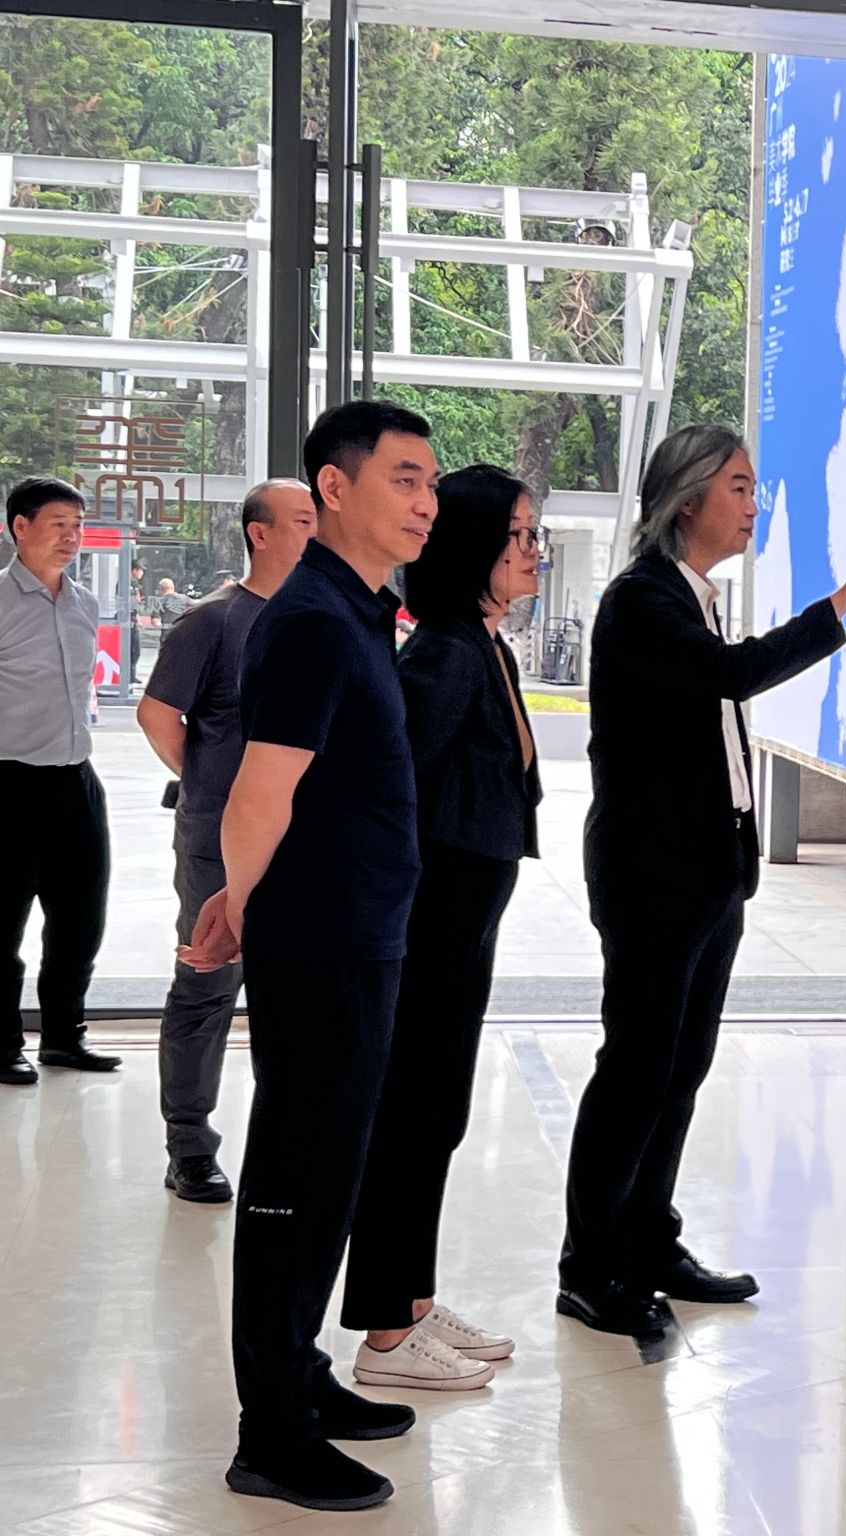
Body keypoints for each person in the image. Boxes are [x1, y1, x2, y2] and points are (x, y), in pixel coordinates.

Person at [558, 424, 846, 1335]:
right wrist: (844, 602)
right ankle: (590, 1266)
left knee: (679, 1069)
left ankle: (648, 1238)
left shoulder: (692, 595)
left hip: (707, 872)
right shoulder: (642, 599)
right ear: (688, 499)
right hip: (653, 876)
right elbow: (732, 677)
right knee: (637, 1070)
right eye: (741, 488)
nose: (754, 505)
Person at [181, 401, 439, 1512]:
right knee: (298, 1178)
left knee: (329, 1173)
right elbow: (260, 789)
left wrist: (245, 897)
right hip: (321, 942)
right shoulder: (316, 622)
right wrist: (243, 904)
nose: (425, 503)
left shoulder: (357, 609)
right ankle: (271, 1433)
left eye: (431, 484)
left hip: (355, 931)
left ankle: (299, 1373)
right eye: (403, 479)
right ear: (334, 487)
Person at [339, 464, 544, 1389]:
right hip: (432, 918)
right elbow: (392, 788)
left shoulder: (482, 642)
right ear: (473, 548)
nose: (531, 553)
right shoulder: (450, 654)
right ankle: (387, 1331)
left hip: (463, 918)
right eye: (517, 537)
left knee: (439, 1113)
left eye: (533, 536)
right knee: (415, 1115)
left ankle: (412, 1300)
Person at [139, 478, 318, 1200]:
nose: (316, 532)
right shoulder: (212, 621)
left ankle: (295, 1141)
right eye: (302, 521)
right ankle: (188, 1143)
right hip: (218, 838)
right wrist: (208, 776)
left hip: (306, 839)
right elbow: (158, 713)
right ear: (260, 534)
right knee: (208, 983)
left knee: (297, 991)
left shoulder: (322, 618)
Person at [2, 476, 121, 1087]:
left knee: (81, 917)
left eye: (77, 526)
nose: (72, 537)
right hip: (8, 784)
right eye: (58, 525)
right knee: (3, 923)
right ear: (19, 527)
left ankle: (63, 1037)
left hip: (75, 780)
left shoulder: (84, 604)